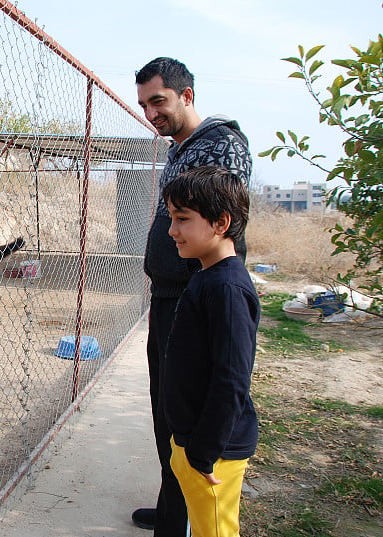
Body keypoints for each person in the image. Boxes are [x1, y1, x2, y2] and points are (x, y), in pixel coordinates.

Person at [133, 57, 253, 536]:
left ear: (187, 96)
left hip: (192, 299)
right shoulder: (182, 147)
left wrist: (185, 274)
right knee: (169, 407)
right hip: (174, 297)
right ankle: (172, 510)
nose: (151, 113)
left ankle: (180, 515)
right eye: (144, 104)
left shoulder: (220, 144)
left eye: (158, 101)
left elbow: (216, 219)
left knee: (185, 407)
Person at [162, 165, 259, 537]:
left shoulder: (228, 289)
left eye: (183, 219)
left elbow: (231, 378)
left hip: (213, 454)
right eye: (172, 218)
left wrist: (202, 452)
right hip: (193, 445)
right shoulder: (207, 276)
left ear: (221, 223)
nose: (173, 231)